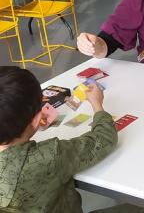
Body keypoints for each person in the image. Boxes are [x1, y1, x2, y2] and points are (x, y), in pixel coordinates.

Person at [0, 66, 119, 212]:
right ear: (36, 120)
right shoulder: (50, 155)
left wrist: (29, 126)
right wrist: (97, 104)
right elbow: (104, 139)